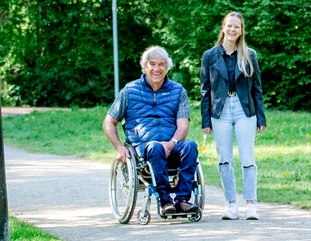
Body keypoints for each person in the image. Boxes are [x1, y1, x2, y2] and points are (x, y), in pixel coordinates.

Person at [103, 46, 199, 216]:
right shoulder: (129, 91)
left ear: (167, 67)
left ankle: (183, 200)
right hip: (143, 149)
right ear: (145, 66)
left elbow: (183, 125)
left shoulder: (178, 91)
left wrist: (172, 143)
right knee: (155, 147)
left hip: (171, 145)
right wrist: (119, 147)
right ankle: (165, 201)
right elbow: (109, 122)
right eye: (152, 64)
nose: (157, 69)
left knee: (190, 145)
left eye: (161, 64)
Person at [200, 11, 266, 221]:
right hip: (220, 111)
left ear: (241, 30)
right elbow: (205, 90)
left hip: (244, 109)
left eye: (236, 26)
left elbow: (257, 88)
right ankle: (231, 205)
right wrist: (205, 120)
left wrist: (261, 117)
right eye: (229, 25)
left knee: (247, 157)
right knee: (224, 159)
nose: (232, 30)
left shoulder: (249, 55)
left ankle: (250, 205)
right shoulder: (210, 56)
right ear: (223, 27)